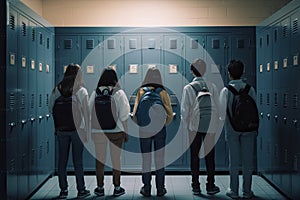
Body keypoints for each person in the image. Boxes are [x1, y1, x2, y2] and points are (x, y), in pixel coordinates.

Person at [49, 63, 90, 199]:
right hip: (78, 130)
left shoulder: (57, 89)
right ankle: (81, 190)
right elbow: (86, 113)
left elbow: (51, 109)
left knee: (62, 161)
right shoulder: (81, 90)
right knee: (78, 161)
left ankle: (63, 191)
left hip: (61, 130)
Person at [181, 58, 220, 196]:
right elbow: (218, 106)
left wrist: (187, 125)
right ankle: (210, 185)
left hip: (194, 126)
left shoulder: (188, 88)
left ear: (192, 71)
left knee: (194, 156)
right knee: (210, 156)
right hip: (210, 126)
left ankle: (195, 186)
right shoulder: (213, 87)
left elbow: (184, 110)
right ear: (204, 71)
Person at [132, 66, 173, 197]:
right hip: (160, 130)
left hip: (144, 130)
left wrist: (141, 124)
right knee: (160, 160)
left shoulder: (141, 91)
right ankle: (160, 188)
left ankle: (147, 188)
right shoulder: (163, 92)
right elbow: (170, 114)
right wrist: (162, 124)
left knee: (146, 159)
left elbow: (134, 114)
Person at [219, 60, 257, 199]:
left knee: (233, 161)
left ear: (229, 74)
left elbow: (221, 114)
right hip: (249, 129)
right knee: (248, 162)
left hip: (232, 129)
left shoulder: (225, 91)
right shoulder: (250, 89)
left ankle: (233, 191)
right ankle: (247, 191)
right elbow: (255, 109)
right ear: (243, 72)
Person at [89, 67, 130, 197]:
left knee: (100, 161)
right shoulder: (119, 93)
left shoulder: (95, 93)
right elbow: (124, 115)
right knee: (116, 160)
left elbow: (90, 112)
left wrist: (91, 130)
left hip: (98, 131)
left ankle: (100, 188)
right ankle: (117, 187)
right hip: (116, 132)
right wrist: (126, 132)